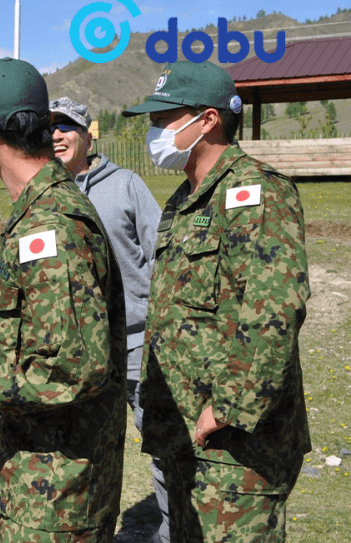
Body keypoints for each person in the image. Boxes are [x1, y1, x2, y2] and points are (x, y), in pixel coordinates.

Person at [0, 58, 127, 542]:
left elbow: (76, 368)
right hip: (36, 485)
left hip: (54, 498)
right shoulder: (40, 210)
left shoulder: (50, 226)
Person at [122, 61, 311, 542]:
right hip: (186, 435)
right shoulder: (186, 200)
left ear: (207, 120)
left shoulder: (258, 192)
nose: (154, 131)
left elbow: (273, 312)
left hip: (235, 446)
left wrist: (226, 409)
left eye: (164, 118)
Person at [49, 97, 167, 541]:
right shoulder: (46, 195)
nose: (57, 135)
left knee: (159, 439)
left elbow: (160, 254)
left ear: (87, 134)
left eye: (67, 127)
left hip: (136, 343)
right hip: (77, 349)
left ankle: (174, 529)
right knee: (83, 447)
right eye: (50, 129)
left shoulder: (126, 184)